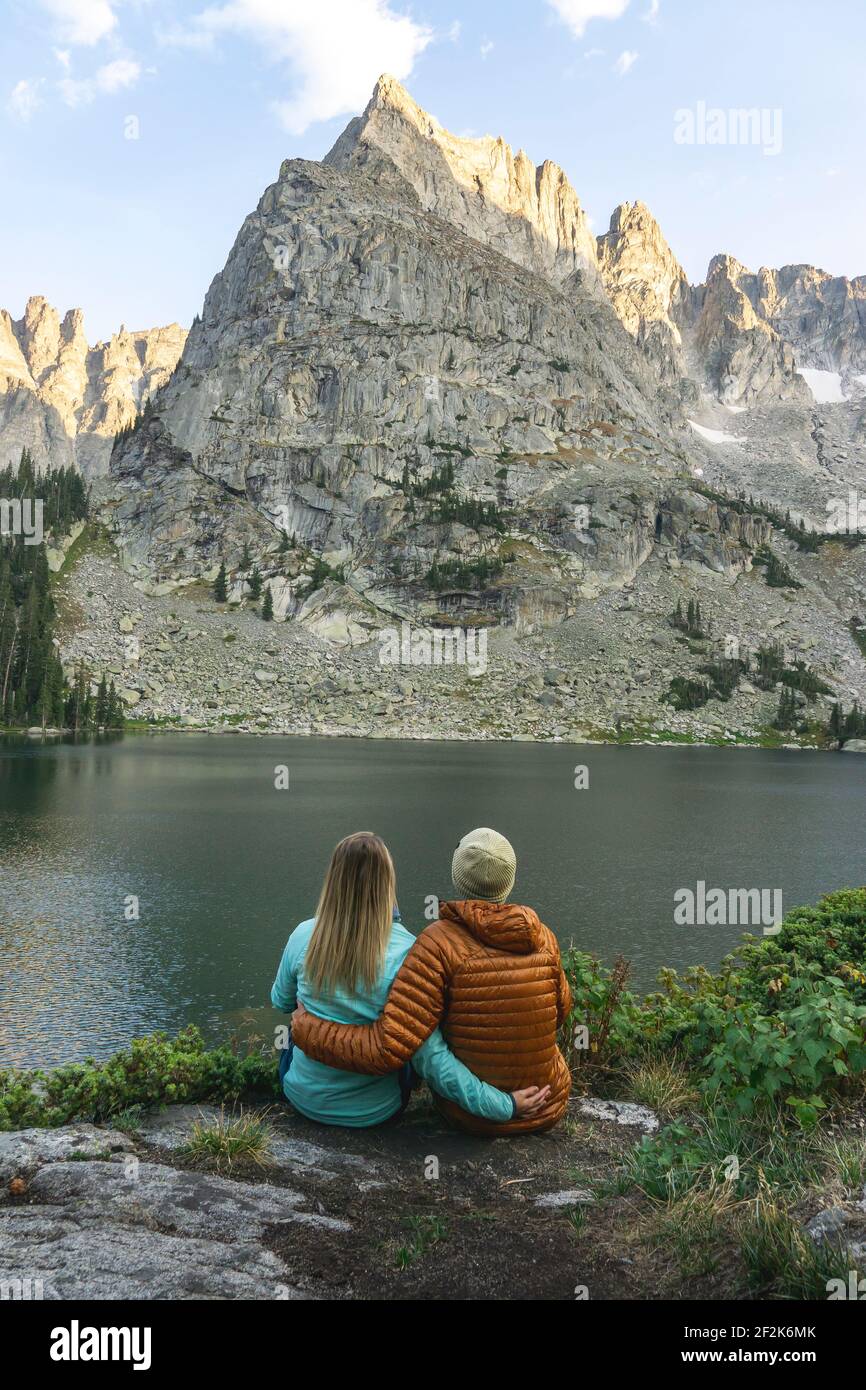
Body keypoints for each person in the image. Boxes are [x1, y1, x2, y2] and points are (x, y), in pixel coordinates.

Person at [292, 827, 572, 1136]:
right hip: (549, 1103)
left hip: (470, 1116)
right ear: (510, 879)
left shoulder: (437, 943)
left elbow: (395, 1047)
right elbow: (559, 1013)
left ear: (458, 878)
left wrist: (307, 1028)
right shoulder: (544, 937)